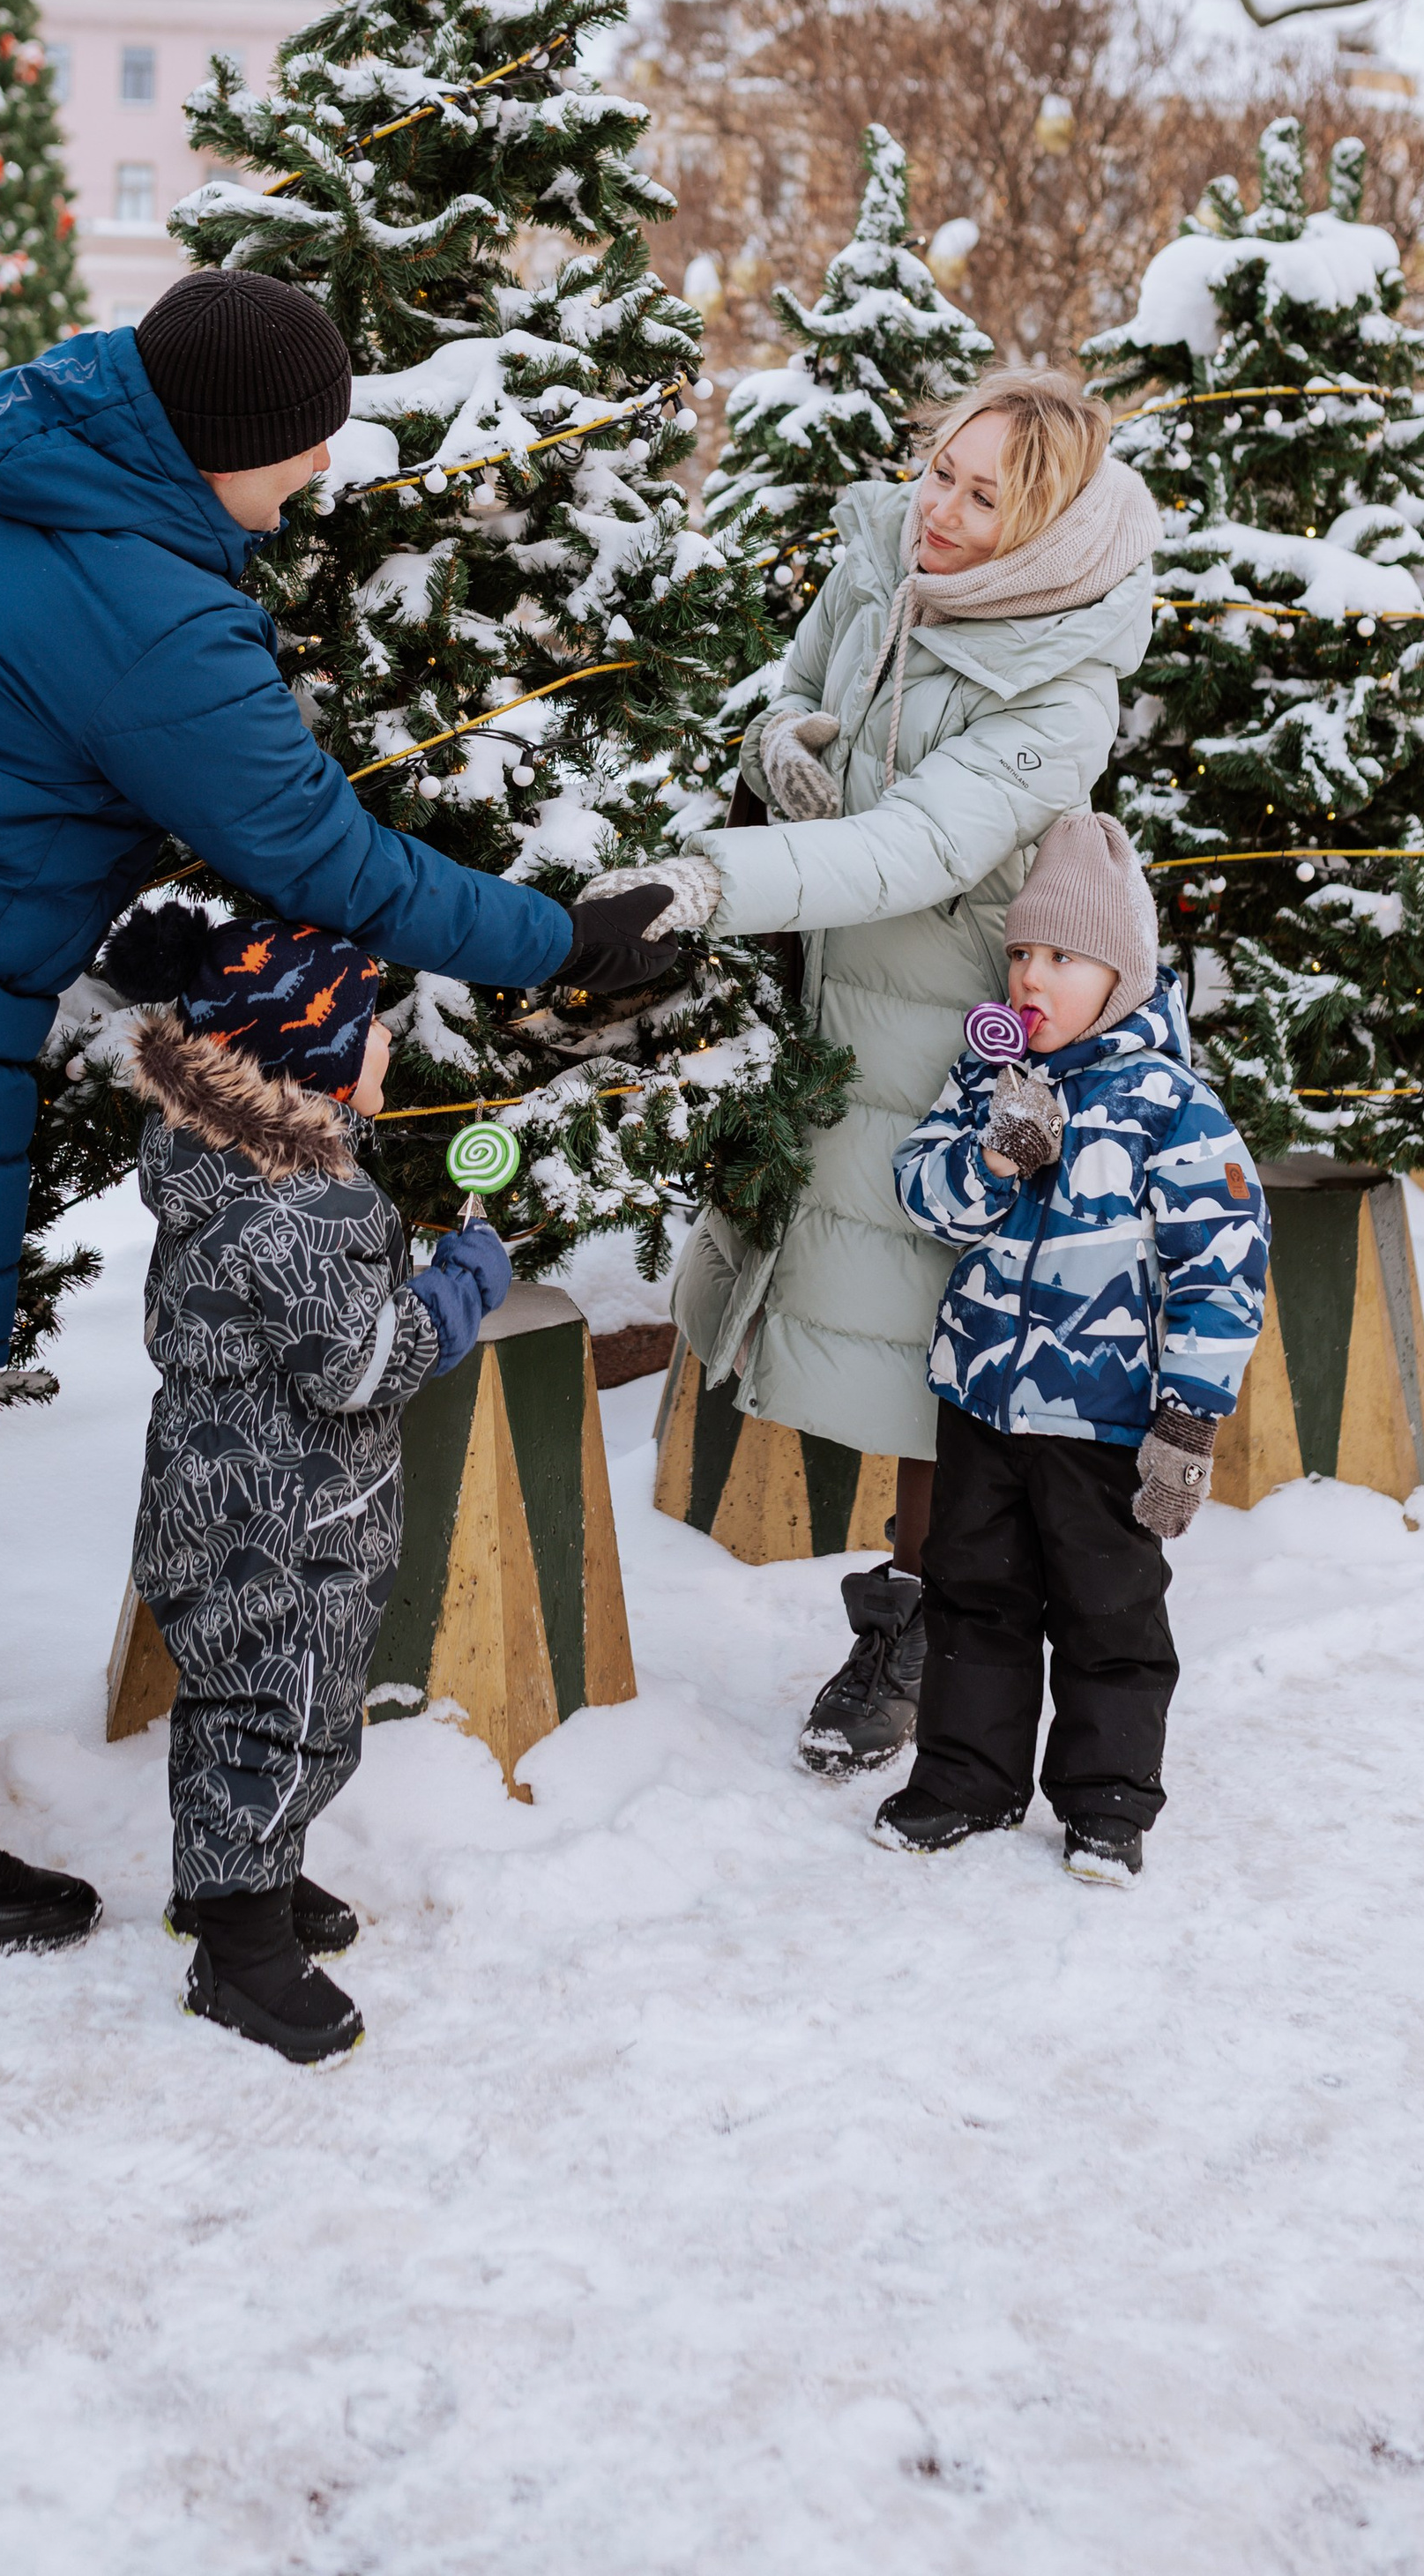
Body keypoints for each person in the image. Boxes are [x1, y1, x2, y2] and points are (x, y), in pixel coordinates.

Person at [0, 269, 682, 1960]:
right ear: (221, 443)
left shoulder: (17, 431)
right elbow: (317, 851)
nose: (316, 480)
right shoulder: (148, 606)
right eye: (299, 453)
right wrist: (559, 941)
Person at [629, 368, 1160, 1774]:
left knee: (934, 1337)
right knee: (817, 1291)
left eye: (985, 497)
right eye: (941, 469)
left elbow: (912, 848)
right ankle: (916, 1621)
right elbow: (803, 687)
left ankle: (926, 1629)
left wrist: (705, 880)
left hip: (946, 1021)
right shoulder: (886, 555)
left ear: (1042, 523)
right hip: (825, 982)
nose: (941, 508)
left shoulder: (1063, 686)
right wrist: (787, 742)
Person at [108, 901, 507, 2065]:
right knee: (285, 1724)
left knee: (235, 1708)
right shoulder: (303, 1204)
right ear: (308, 1053)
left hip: (214, 1498)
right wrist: (457, 1293)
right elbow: (360, 1363)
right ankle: (240, 1953)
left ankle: (239, 1883)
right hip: (285, 1522)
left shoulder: (228, 1167)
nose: (389, 1045)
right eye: (371, 1029)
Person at [882, 812, 1269, 1880]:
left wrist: (1187, 1424)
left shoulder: (1170, 1110)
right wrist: (994, 1160)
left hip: (1103, 1420)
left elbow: (1222, 1270)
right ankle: (965, 1778)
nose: (1029, 979)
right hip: (981, 1405)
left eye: (1060, 958)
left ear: (1123, 977)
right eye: (1018, 954)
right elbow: (923, 1192)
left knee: (1110, 1615)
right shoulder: (985, 1084)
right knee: (972, 1595)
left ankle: (1106, 1802)